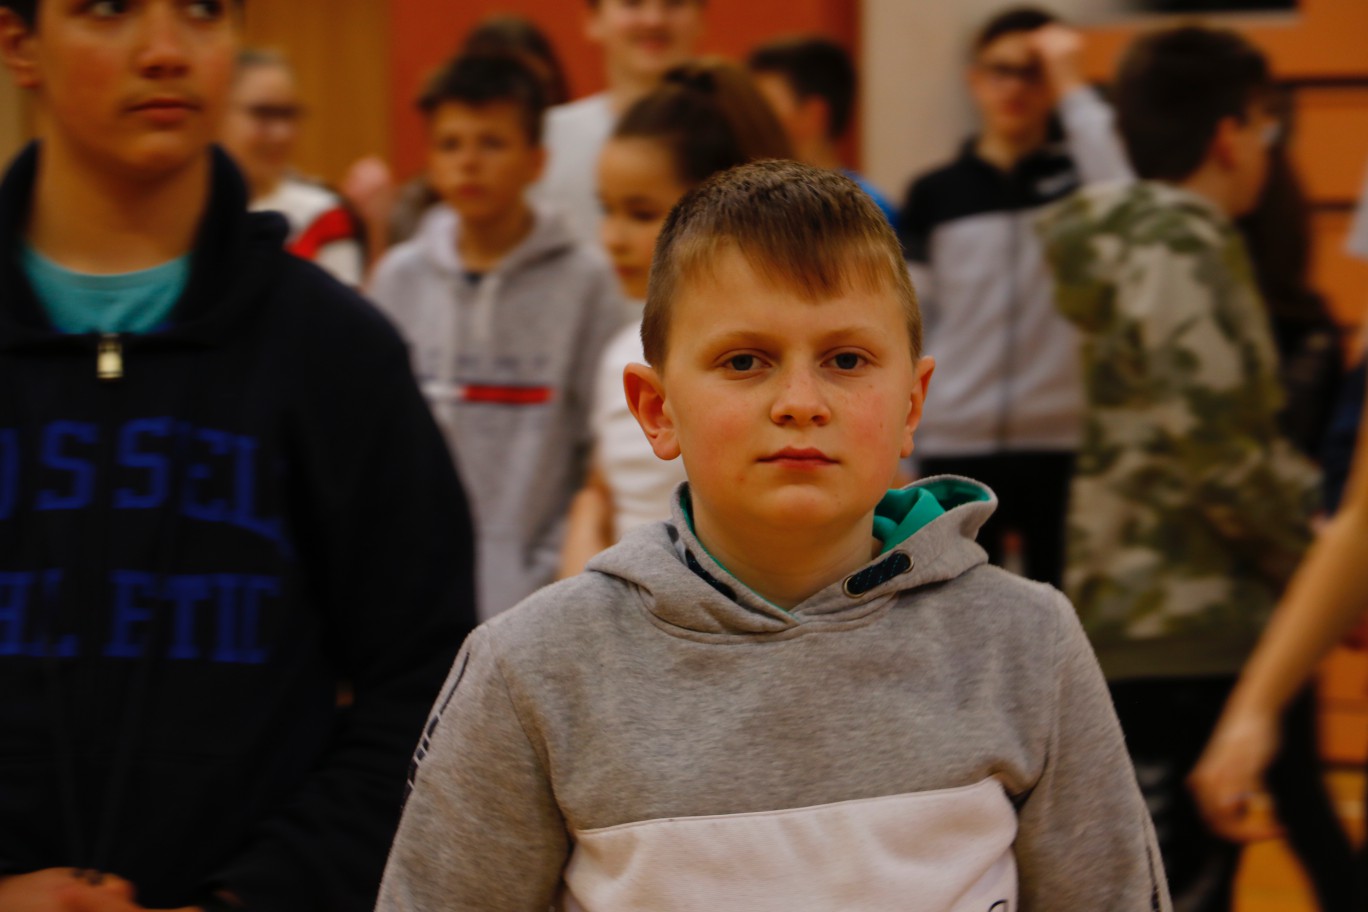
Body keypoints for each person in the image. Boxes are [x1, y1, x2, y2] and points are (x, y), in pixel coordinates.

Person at [377, 160, 1170, 911]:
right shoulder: (531, 672)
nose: (799, 401)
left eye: (846, 359)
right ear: (655, 409)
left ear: (912, 404)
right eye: (745, 361)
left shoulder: (1029, 647)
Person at [0, 2, 477, 911]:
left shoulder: (336, 352)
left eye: (202, 11)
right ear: (21, 43)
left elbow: (427, 688)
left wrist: (252, 899)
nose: (165, 51)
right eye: (109, 9)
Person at [1037, 24, 1320, 912]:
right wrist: (1315, 564)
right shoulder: (1181, 244)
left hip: (1150, 610)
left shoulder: (1139, 240)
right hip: (1184, 618)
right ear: (1231, 136)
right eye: (1266, 128)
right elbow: (1221, 450)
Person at [369, 52, 625, 621]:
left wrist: (555, 568)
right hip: (411, 594)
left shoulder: (586, 282)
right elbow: (373, 439)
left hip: (540, 596)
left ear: (536, 161)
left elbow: (599, 450)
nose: (468, 163)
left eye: (491, 143)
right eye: (450, 144)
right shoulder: (397, 278)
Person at [897, 6, 1133, 588]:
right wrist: (902, 443)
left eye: (1035, 73)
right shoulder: (934, 193)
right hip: (956, 441)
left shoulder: (1084, 185)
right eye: (1002, 70)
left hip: (1063, 445)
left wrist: (1073, 85)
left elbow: (1129, 215)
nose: (1016, 88)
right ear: (975, 79)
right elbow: (909, 325)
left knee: (1061, 611)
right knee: (955, 610)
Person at [558, 58, 792, 576]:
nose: (612, 238)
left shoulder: (788, 353)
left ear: (719, 208)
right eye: (607, 209)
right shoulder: (623, 351)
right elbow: (603, 495)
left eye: (640, 213)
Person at [533, 0, 706, 244]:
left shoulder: (734, 133)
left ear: (700, 17)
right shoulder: (546, 138)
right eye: (632, 3)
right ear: (593, 19)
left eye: (674, 3)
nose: (654, 20)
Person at [219, 48, 366, 286]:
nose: (282, 133)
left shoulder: (323, 216)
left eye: (289, 114)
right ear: (217, 112)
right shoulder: (185, 213)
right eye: (264, 113)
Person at [747, 34, 898, 224]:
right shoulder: (748, 200)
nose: (750, 118)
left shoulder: (865, 210)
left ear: (813, 114)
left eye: (762, 107)